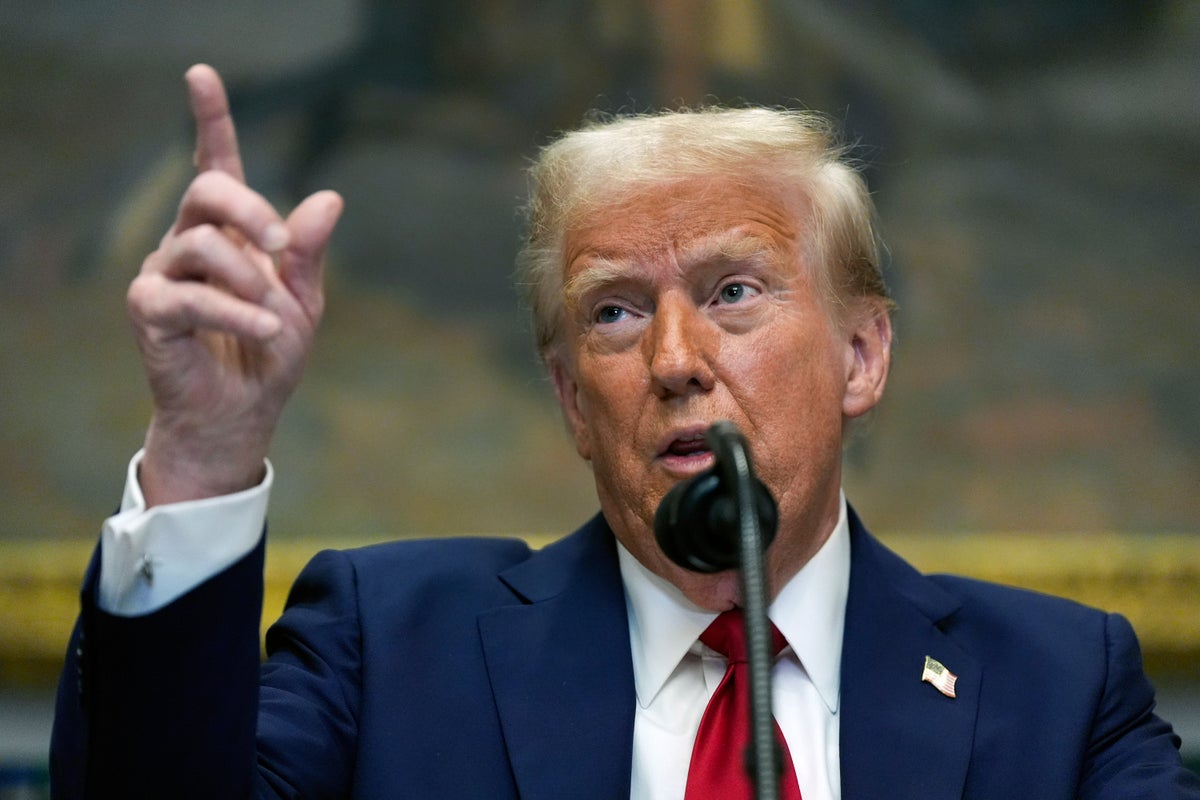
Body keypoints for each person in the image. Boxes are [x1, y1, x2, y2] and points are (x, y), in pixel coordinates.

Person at [49, 63, 1198, 800]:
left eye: (736, 291)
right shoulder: (390, 646)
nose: (675, 358)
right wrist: (201, 451)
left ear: (861, 354)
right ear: (568, 399)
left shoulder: (1057, 688)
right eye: (614, 310)